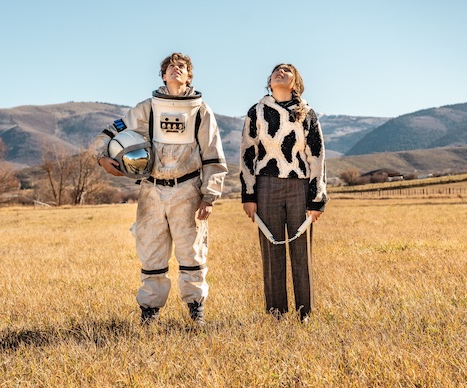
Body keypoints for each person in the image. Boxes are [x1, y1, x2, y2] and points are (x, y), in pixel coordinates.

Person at [94, 52, 227, 326]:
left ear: (189, 75)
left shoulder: (200, 110)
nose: (175, 69)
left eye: (181, 67)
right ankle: (150, 311)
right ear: (163, 75)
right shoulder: (148, 108)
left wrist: (210, 194)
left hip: (187, 187)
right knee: (151, 250)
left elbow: (214, 156)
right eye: (170, 67)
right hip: (152, 189)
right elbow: (110, 134)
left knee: (191, 251)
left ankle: (195, 308)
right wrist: (102, 157)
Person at [239, 63, 327, 322]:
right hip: (266, 186)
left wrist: (316, 198)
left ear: (295, 82)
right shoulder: (256, 112)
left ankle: (305, 313)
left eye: (288, 71)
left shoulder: (307, 113)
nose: (281, 72)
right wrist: (249, 195)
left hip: (299, 186)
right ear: (269, 81)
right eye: (277, 70)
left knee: (302, 252)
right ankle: (275, 313)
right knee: (271, 252)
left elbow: (317, 157)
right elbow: (247, 153)